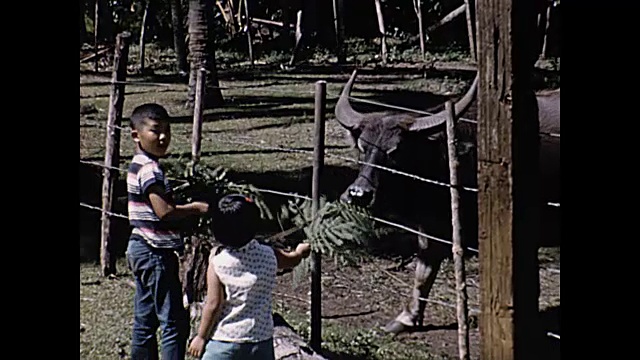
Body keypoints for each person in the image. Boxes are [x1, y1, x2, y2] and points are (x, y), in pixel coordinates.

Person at [126, 103, 210, 360]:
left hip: (139, 246)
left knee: (146, 318)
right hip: (154, 252)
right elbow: (164, 211)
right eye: (155, 131)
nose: (163, 137)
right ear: (136, 135)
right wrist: (195, 208)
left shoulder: (138, 164)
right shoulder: (150, 169)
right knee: (174, 320)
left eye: (167, 131)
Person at [187, 194, 311, 360]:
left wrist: (201, 337)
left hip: (226, 340)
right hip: (261, 340)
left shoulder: (218, 261)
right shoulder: (270, 254)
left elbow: (214, 303)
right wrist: (300, 252)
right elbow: (291, 261)